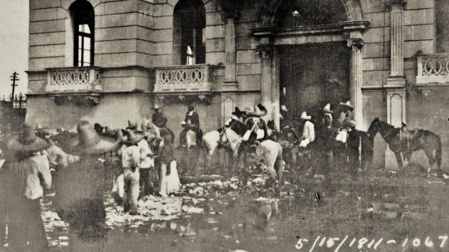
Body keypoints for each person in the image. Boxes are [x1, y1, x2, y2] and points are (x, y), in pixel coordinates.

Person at [55, 120, 120, 252]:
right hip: (96, 224)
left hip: (77, 225)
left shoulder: (70, 170)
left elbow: (59, 202)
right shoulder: (101, 169)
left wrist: (69, 217)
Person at [0, 122, 52, 252]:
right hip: (32, 202)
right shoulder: (37, 162)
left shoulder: (7, 165)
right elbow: (48, 182)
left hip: (14, 204)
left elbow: (3, 186)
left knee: (16, 236)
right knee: (36, 234)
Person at [118, 129, 146, 214]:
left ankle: (126, 205)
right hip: (132, 170)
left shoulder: (124, 150)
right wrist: (137, 164)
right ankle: (133, 207)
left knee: (127, 189)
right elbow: (136, 159)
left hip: (125, 170)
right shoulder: (134, 148)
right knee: (134, 189)